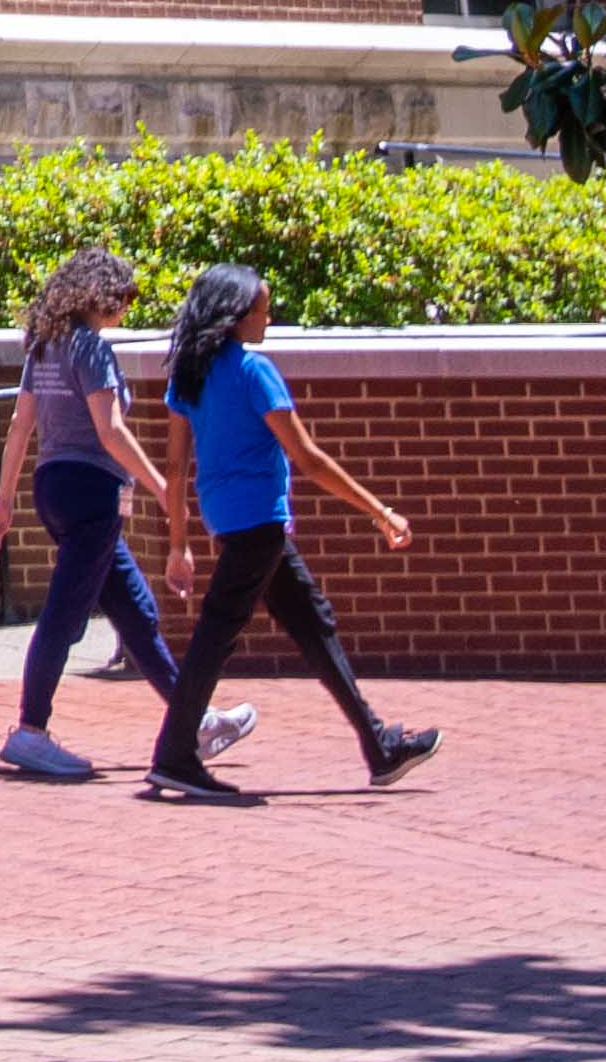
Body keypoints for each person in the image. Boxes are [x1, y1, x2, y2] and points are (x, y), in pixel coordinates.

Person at [135, 265, 440, 804]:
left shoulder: (188, 376)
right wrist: (379, 510)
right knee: (214, 637)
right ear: (235, 315)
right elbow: (307, 457)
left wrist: (179, 545)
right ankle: (174, 757)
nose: (268, 317)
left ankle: (380, 747)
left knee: (312, 623)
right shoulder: (255, 371)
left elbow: (177, 468)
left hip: (230, 523)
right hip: (261, 525)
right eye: (262, 308)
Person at [0, 245, 178, 782]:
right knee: (64, 617)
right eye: (123, 297)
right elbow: (110, 429)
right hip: (92, 491)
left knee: (135, 612)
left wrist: (4, 499)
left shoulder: (44, 347)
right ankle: (30, 731)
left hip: (55, 488)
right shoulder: (90, 348)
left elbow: (22, 426)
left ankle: (190, 718)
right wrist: (163, 487)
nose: (127, 307)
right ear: (99, 295)